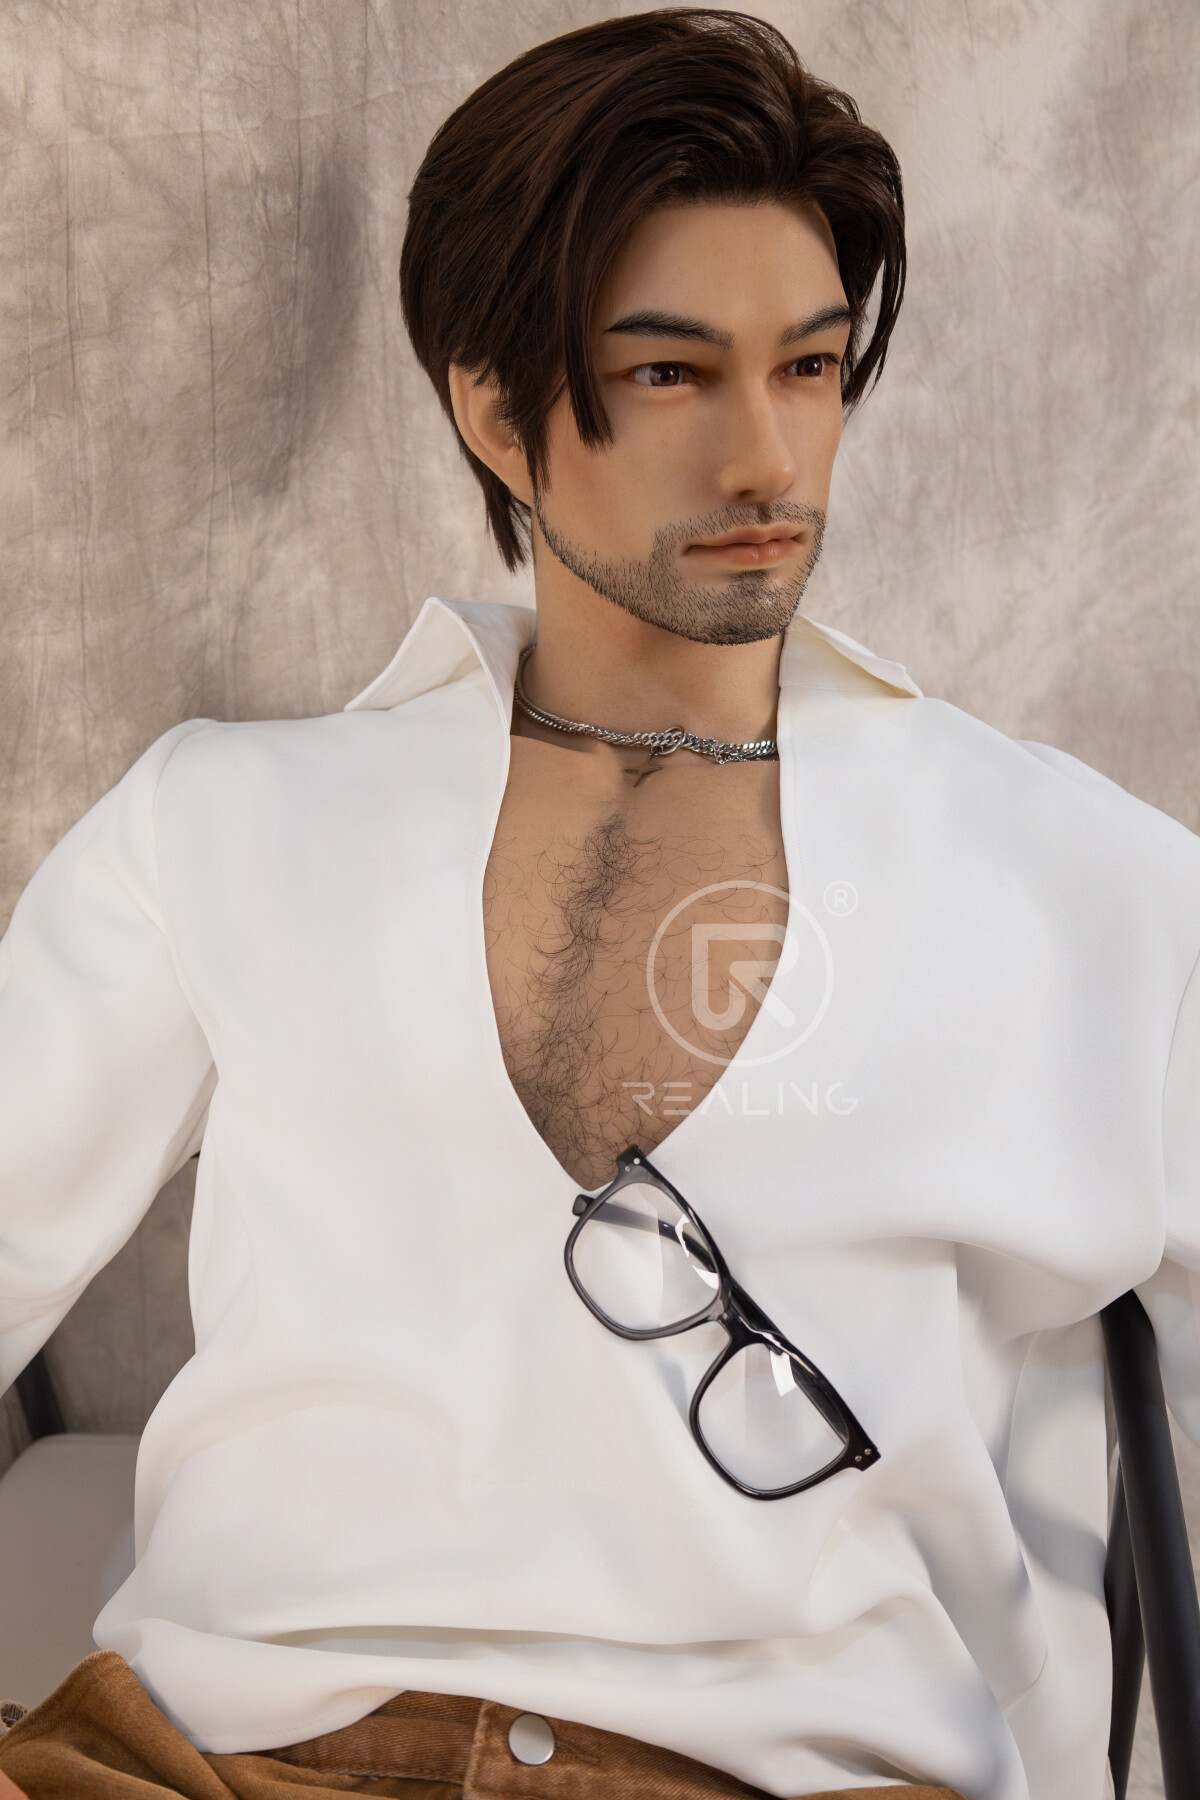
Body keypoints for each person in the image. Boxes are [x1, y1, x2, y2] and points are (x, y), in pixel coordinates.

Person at [1, 8, 1197, 1798]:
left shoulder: (1080, 881)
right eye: (670, 375)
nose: (769, 460)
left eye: (809, 367)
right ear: (495, 410)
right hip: (228, 1761)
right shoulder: (223, 828)